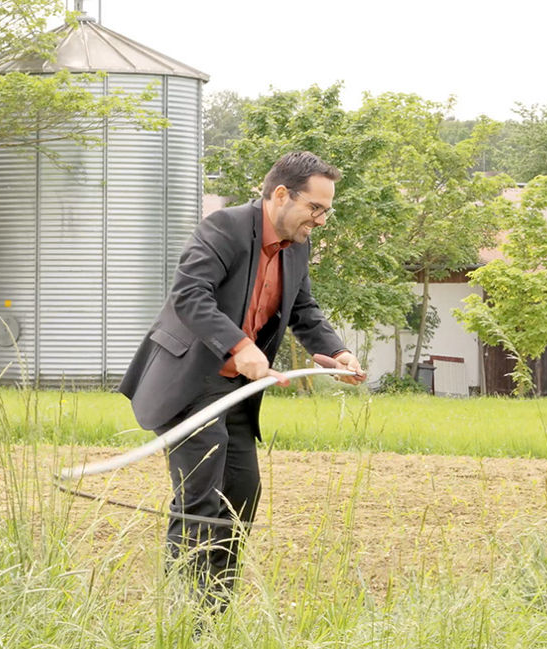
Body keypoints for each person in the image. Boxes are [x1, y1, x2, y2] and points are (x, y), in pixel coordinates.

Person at [118, 151, 365, 607]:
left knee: (240, 497)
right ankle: (183, 619)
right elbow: (190, 296)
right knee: (201, 500)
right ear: (280, 195)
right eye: (316, 208)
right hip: (190, 383)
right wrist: (241, 346)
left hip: (238, 390)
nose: (322, 220)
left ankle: (214, 612)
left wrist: (337, 350)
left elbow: (304, 310)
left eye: (327, 210)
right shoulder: (223, 228)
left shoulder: (298, 247)